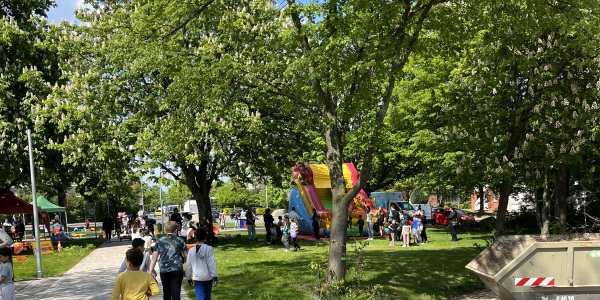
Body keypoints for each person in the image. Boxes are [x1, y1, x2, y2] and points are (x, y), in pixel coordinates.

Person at [149, 221, 188, 300]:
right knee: (176, 292)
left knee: (166, 291)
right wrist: (187, 269)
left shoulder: (160, 241)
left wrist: (151, 270)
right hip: (177, 269)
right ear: (176, 230)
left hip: (164, 269)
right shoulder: (180, 241)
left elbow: (154, 257)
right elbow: (187, 256)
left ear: (166, 230)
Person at [186, 228, 219, 300]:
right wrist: (215, 277)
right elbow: (212, 263)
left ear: (195, 237)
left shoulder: (191, 250)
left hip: (197, 278)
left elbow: (188, 266)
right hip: (208, 277)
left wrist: (189, 278)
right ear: (205, 237)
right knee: (207, 297)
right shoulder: (209, 249)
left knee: (201, 297)